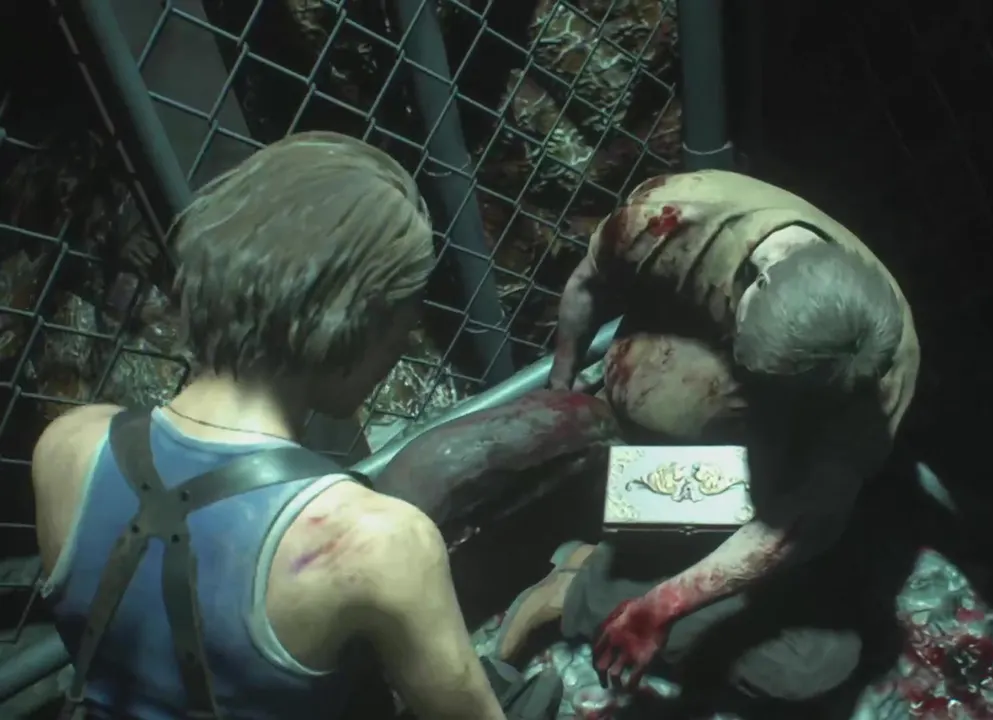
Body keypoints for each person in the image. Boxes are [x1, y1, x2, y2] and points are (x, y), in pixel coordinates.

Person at [31, 132, 505, 719]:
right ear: (358, 324)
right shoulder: (375, 542)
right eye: (402, 323)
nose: (402, 347)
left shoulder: (67, 447)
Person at [495, 170, 920, 703]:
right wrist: (561, 389)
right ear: (758, 281)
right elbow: (588, 283)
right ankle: (582, 587)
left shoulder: (885, 369)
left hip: (769, 459)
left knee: (819, 661)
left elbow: (797, 527)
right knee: (806, 658)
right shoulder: (675, 217)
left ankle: (602, 567)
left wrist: (664, 606)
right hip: (673, 389)